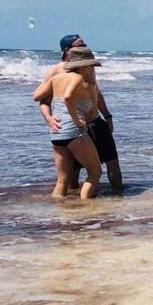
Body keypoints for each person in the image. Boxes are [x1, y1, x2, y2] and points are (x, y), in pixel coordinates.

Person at [35, 35, 123, 192]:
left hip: (95, 122)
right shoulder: (55, 72)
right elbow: (42, 101)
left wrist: (107, 116)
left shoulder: (89, 67)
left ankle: (118, 199)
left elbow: (96, 93)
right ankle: (75, 208)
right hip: (73, 127)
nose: (85, 48)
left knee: (112, 162)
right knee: (73, 172)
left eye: (84, 45)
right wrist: (49, 118)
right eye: (80, 46)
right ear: (67, 50)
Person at [33, 47, 104, 199]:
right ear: (84, 65)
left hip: (57, 132)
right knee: (95, 172)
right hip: (74, 132)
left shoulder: (55, 79)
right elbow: (68, 96)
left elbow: (37, 96)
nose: (92, 68)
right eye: (90, 65)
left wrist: (50, 117)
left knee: (62, 179)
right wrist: (77, 119)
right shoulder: (77, 78)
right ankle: (85, 208)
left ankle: (60, 213)